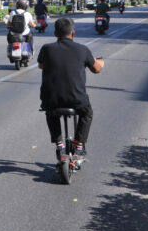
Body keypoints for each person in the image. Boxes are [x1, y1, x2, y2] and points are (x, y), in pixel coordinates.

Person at [38, 17, 104, 158]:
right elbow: (96, 69)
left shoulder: (46, 49)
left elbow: (41, 65)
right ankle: (79, 145)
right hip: (76, 99)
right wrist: (101, 62)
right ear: (73, 33)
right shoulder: (83, 50)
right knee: (87, 113)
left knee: (50, 112)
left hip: (51, 99)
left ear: (55, 34)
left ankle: (59, 144)